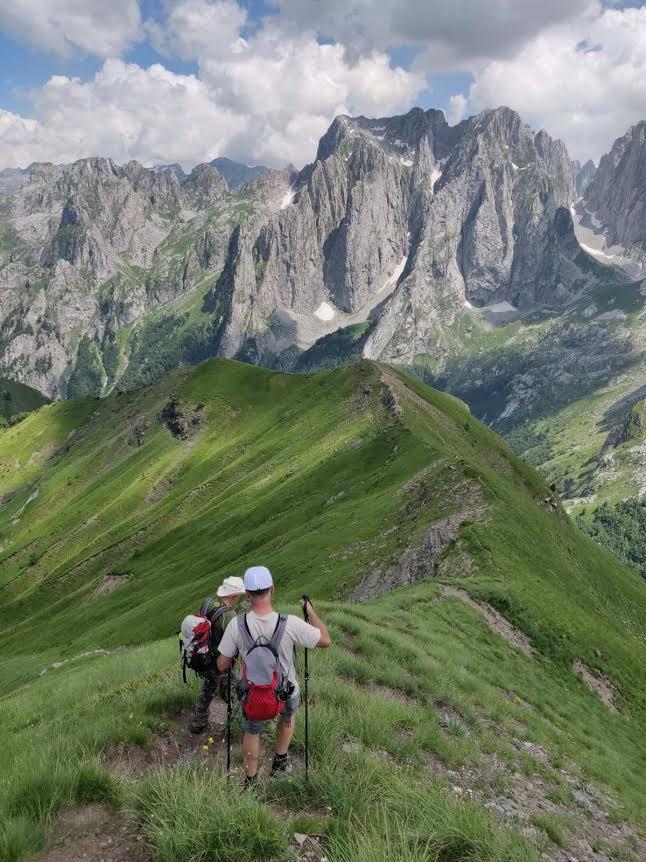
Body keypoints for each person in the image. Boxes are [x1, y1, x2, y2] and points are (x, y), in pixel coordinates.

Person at [217, 565, 331, 785]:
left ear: (247, 595)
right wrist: (310, 612)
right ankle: (280, 761)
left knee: (252, 731)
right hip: (286, 689)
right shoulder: (291, 623)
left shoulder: (236, 625)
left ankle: (250, 781)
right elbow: (325, 640)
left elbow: (222, 664)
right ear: (272, 589)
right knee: (287, 717)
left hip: (253, 692)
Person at [189, 575, 246, 734]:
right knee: (235, 692)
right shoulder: (229, 616)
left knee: (210, 688)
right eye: (239, 596)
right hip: (220, 662)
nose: (239, 599)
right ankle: (235, 726)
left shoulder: (208, 604)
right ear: (234, 596)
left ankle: (197, 723)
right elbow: (237, 642)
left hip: (204, 657)